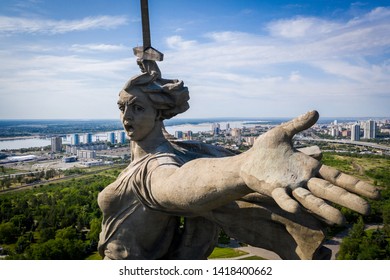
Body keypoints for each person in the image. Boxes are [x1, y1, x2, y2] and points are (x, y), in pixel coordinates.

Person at [97, 60, 379, 260]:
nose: (126, 117)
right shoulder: (166, 149)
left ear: (158, 114)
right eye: (122, 107)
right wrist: (150, 71)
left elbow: (176, 186)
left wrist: (243, 167)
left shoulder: (157, 165)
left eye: (137, 108)